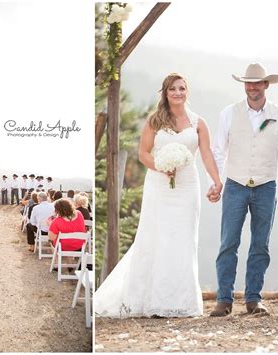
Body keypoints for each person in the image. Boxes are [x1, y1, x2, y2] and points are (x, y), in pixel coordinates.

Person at [95, 73, 222, 318]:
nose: (177, 92)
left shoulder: (198, 123)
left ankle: (180, 302)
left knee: (183, 240)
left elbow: (206, 154)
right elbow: (143, 153)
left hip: (187, 187)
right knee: (156, 238)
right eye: (172, 89)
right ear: (165, 93)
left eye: (182, 88)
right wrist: (161, 166)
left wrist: (216, 181)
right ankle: (152, 299)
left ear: (188, 92)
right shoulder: (154, 121)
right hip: (158, 185)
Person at [208, 63, 278, 316]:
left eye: (257, 83)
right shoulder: (229, 113)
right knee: (228, 242)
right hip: (235, 185)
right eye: (248, 83)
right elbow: (218, 151)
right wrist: (215, 182)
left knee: (260, 245)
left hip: (266, 187)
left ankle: (253, 299)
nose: (252, 87)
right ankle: (224, 300)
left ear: (266, 85)